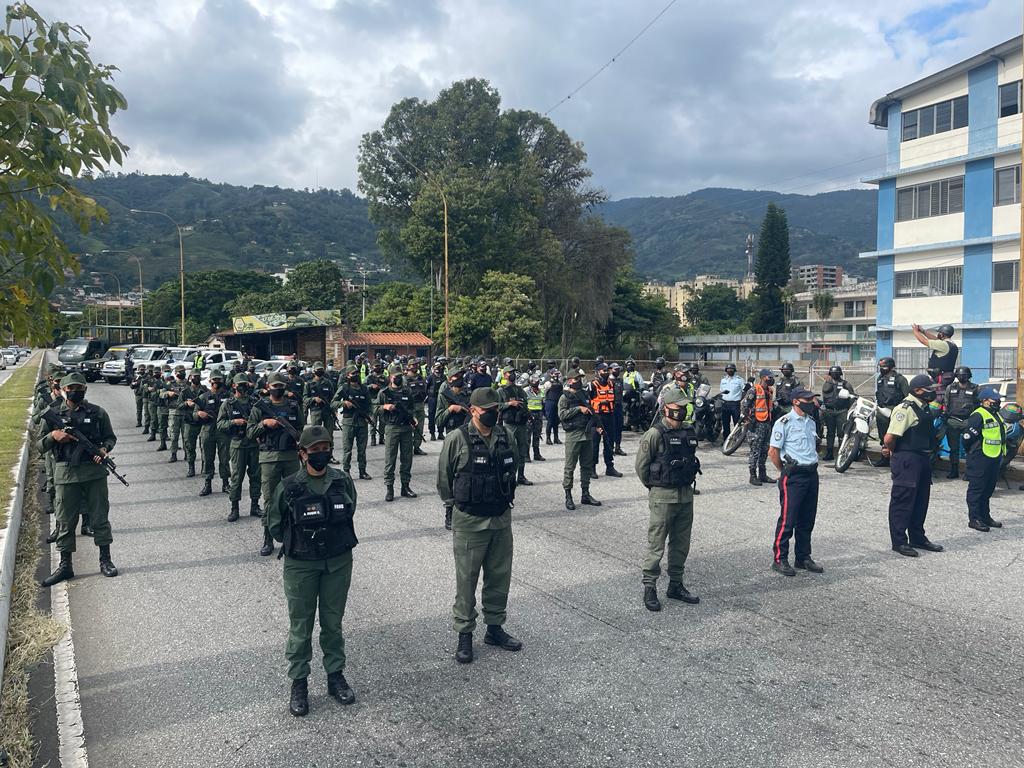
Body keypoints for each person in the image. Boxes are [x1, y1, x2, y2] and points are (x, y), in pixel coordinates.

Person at [266, 425, 357, 716]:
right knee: (301, 626)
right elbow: (275, 526)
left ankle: (335, 676)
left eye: (326, 448)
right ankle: (299, 683)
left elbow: (350, 510)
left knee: (333, 622)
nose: (322, 454)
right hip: (302, 565)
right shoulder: (289, 486)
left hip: (338, 562)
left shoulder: (341, 481)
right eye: (315, 450)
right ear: (302, 453)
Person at [437, 386, 522, 664]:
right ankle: (464, 634)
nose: (494, 415)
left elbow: (514, 468)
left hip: (500, 519)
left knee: (499, 578)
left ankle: (494, 629)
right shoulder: (457, 439)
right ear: (473, 411)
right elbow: (444, 478)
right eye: (489, 411)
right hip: (470, 521)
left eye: (497, 410)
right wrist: (453, 507)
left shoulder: (505, 435)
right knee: (467, 581)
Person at [39, 372, 118, 587]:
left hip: (94, 474)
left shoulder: (97, 412)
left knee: (99, 517)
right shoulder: (53, 413)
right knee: (65, 521)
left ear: (85, 390)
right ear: (63, 390)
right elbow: (39, 445)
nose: (76, 392)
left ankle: (105, 560)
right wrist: (53, 437)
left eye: (80, 388)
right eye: (71, 388)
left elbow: (110, 437)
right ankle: (66, 566)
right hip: (65, 475)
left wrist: (103, 449)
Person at [636, 387, 701, 612]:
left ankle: (675, 585)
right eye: (677, 408)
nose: (681, 411)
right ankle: (649, 586)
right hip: (663, 497)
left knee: (681, 544)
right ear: (666, 409)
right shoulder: (655, 434)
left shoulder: (689, 431)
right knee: (656, 544)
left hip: (685, 496)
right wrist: (655, 488)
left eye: (684, 408)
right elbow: (642, 467)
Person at [882, 374, 943, 557]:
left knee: (920, 500)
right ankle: (899, 541)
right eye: (929, 390)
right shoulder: (905, 408)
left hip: (922, 459)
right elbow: (890, 437)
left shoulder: (922, 407)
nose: (933, 393)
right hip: (907, 459)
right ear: (917, 390)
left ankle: (918, 537)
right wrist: (893, 451)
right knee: (903, 500)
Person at [767, 389, 823, 576]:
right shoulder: (784, 422)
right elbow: (773, 452)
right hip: (794, 476)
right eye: (807, 399)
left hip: (811, 473)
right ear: (796, 402)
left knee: (807, 519)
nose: (811, 402)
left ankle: (803, 557)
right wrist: (784, 471)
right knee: (788, 520)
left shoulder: (811, 422)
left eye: (812, 398)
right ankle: (780, 559)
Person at [248, 372, 304, 556]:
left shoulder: (294, 407)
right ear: (267, 388)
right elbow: (250, 433)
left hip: (290, 458)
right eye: (274, 386)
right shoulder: (260, 408)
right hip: (269, 458)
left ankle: (293, 537)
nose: (278, 389)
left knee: (294, 498)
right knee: (270, 500)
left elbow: (301, 431)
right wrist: (264, 423)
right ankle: (268, 538)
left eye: (281, 385)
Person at [219, 373, 263, 521]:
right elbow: (220, 424)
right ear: (234, 386)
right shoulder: (228, 404)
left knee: (256, 476)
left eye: (245, 384)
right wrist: (233, 422)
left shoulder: (255, 403)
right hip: (237, 444)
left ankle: (255, 505)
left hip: (253, 444)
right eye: (240, 384)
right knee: (237, 477)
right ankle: (234, 508)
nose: (243, 387)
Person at [961, 388, 1006, 532]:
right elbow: (967, 438)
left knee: (988, 489)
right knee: (977, 489)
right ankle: (974, 519)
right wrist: (973, 451)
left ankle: (985, 516)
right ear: (985, 401)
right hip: (980, 457)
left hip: (993, 456)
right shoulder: (978, 415)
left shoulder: (995, 414)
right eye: (994, 400)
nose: (997, 403)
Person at [558, 370, 601, 509]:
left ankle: (585, 494)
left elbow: (591, 411)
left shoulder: (584, 394)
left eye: (581, 378)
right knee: (570, 467)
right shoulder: (564, 397)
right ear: (570, 380)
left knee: (587, 466)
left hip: (587, 434)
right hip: (574, 435)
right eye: (577, 379)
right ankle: (568, 496)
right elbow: (562, 415)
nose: (580, 381)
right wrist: (578, 409)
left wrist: (597, 425)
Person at [377, 365, 417, 502]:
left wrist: (414, 418)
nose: (398, 378)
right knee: (390, 459)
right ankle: (389, 488)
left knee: (407, 458)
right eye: (396, 376)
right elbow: (374, 408)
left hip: (406, 428)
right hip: (392, 428)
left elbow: (412, 408)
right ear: (390, 377)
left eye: (400, 376)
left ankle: (405, 486)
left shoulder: (407, 392)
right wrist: (385, 407)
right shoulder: (384, 393)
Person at [331, 365, 373, 480]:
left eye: (357, 373)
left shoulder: (364, 388)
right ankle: (346, 471)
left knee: (362, 449)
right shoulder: (344, 388)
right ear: (347, 375)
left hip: (362, 422)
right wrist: (343, 403)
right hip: (348, 422)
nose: (355, 375)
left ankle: (362, 471)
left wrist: (369, 415)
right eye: (352, 373)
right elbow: (333, 403)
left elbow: (370, 405)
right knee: (347, 449)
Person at [195, 371, 231, 496]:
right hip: (207, 430)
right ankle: (207, 484)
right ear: (210, 381)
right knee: (207, 458)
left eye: (219, 379)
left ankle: (226, 483)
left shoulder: (228, 396)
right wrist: (199, 414)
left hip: (224, 431)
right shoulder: (203, 397)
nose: (216, 382)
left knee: (225, 458)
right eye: (214, 380)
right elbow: (194, 413)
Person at [498, 365, 532, 486]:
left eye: (514, 372)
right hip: (509, 424)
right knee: (510, 451)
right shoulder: (501, 391)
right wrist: (509, 404)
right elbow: (497, 406)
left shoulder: (520, 389)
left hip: (521, 423)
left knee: (523, 450)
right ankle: (510, 476)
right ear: (505, 375)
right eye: (510, 372)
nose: (512, 374)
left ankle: (521, 476)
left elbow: (525, 403)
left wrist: (527, 414)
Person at [942, 366, 978, 480]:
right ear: (956, 376)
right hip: (953, 420)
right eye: (959, 375)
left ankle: (969, 472)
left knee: (970, 448)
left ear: (969, 376)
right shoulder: (950, 388)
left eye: (964, 375)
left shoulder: (975, 388)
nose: (962, 377)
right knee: (954, 448)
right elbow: (946, 403)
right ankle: (954, 470)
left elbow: (977, 405)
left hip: (968, 421)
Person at [741, 368, 776, 486]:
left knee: (764, 450)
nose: (772, 379)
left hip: (766, 423)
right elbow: (744, 404)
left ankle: (763, 474)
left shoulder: (770, 391)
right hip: (756, 424)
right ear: (763, 377)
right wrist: (748, 419)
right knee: (755, 450)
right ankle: (752, 476)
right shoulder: (754, 389)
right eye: (769, 377)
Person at [588, 363, 623, 478]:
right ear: (598, 372)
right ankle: (592, 468)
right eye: (604, 371)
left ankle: (610, 467)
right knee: (594, 443)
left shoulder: (611, 384)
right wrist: (599, 403)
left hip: (610, 416)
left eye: (608, 371)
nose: (606, 373)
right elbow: (587, 403)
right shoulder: (593, 385)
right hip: (597, 417)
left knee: (609, 442)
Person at [875, 357, 909, 466]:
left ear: (891, 367)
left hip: (895, 410)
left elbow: (907, 396)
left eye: (884, 366)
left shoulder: (900, 379)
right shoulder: (880, 378)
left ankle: (896, 459)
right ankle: (884, 458)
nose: (881, 369)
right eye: (880, 367)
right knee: (883, 436)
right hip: (882, 411)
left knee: (895, 436)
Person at [820, 365, 855, 461]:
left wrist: (850, 410)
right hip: (829, 411)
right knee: (830, 433)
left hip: (842, 411)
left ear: (840, 373)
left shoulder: (845, 384)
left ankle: (841, 452)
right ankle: (829, 452)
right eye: (832, 373)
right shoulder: (827, 383)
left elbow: (852, 397)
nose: (834, 374)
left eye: (836, 372)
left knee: (842, 433)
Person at [912, 323, 958, 393]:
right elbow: (935, 339)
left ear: (942, 334)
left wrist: (915, 331)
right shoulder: (952, 345)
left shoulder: (943, 345)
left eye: (939, 333)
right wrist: (923, 331)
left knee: (937, 396)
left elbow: (923, 341)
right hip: (946, 376)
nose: (938, 334)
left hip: (940, 377)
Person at [176, 370, 207, 476]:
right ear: (190, 377)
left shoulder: (205, 390)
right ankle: (191, 467)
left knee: (205, 446)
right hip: (189, 422)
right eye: (195, 376)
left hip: (202, 422)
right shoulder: (185, 392)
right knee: (189, 446)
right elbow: (178, 405)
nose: (196, 378)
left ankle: (205, 468)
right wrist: (186, 403)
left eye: (198, 376)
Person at [303, 362, 336, 430]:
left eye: (321, 369)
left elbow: (333, 398)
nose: (320, 371)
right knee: (316, 434)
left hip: (327, 410)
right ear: (314, 370)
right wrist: (314, 399)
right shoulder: (309, 384)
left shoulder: (328, 383)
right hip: (315, 411)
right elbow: (305, 399)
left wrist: (334, 410)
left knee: (329, 434)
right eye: (318, 369)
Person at [406, 360, 429, 456]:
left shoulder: (420, 378)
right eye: (413, 365)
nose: (415, 366)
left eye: (416, 364)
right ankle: (408, 448)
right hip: (411, 406)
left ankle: (417, 447)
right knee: (410, 427)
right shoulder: (405, 379)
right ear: (409, 366)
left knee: (419, 428)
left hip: (420, 405)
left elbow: (425, 389)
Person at [166, 365, 188, 460]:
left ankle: (187, 454)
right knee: (174, 435)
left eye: (183, 371)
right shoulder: (170, 384)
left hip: (186, 413)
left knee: (186, 436)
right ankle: (173, 454)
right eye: (180, 372)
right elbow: (161, 393)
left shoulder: (189, 384)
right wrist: (168, 393)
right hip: (174, 412)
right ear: (176, 373)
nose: (182, 373)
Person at [719, 363, 744, 438]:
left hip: (735, 404)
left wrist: (742, 400)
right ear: (726, 370)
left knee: (737, 422)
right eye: (728, 369)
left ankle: (737, 439)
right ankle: (726, 439)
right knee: (725, 423)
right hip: (725, 404)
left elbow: (744, 390)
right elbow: (721, 391)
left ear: (734, 370)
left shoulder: (739, 380)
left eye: (731, 369)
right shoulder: (723, 380)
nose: (730, 370)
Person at [524, 374, 545, 462]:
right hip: (529, 414)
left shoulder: (541, 391)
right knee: (527, 436)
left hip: (539, 414)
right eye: (533, 380)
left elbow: (543, 402)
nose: (535, 382)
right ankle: (526, 455)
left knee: (537, 435)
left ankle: (537, 454)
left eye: (537, 380)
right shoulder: (525, 391)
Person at [542, 369, 563, 445]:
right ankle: (548, 438)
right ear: (551, 374)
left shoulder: (560, 383)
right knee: (550, 421)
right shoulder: (548, 383)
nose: (556, 375)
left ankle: (556, 438)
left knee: (556, 421)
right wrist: (544, 402)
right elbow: (543, 393)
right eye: (554, 374)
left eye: (557, 374)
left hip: (558, 402)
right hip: (550, 402)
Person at [426, 361, 444, 440]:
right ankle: (432, 433)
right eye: (436, 367)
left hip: (441, 399)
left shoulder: (443, 377)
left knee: (441, 415)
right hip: (432, 398)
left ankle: (440, 432)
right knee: (431, 415)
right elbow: (426, 388)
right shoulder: (430, 377)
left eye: (439, 367)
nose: (438, 369)